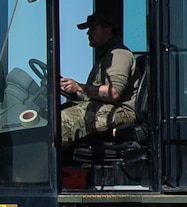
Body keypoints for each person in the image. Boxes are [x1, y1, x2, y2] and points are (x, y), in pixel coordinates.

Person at [58, 13, 139, 146]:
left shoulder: (119, 55)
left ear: (107, 30)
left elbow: (113, 93)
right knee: (53, 116)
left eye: (93, 28)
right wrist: (73, 91)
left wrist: (79, 87)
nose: (88, 33)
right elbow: (93, 93)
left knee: (62, 122)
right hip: (106, 107)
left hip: (121, 112)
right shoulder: (105, 57)